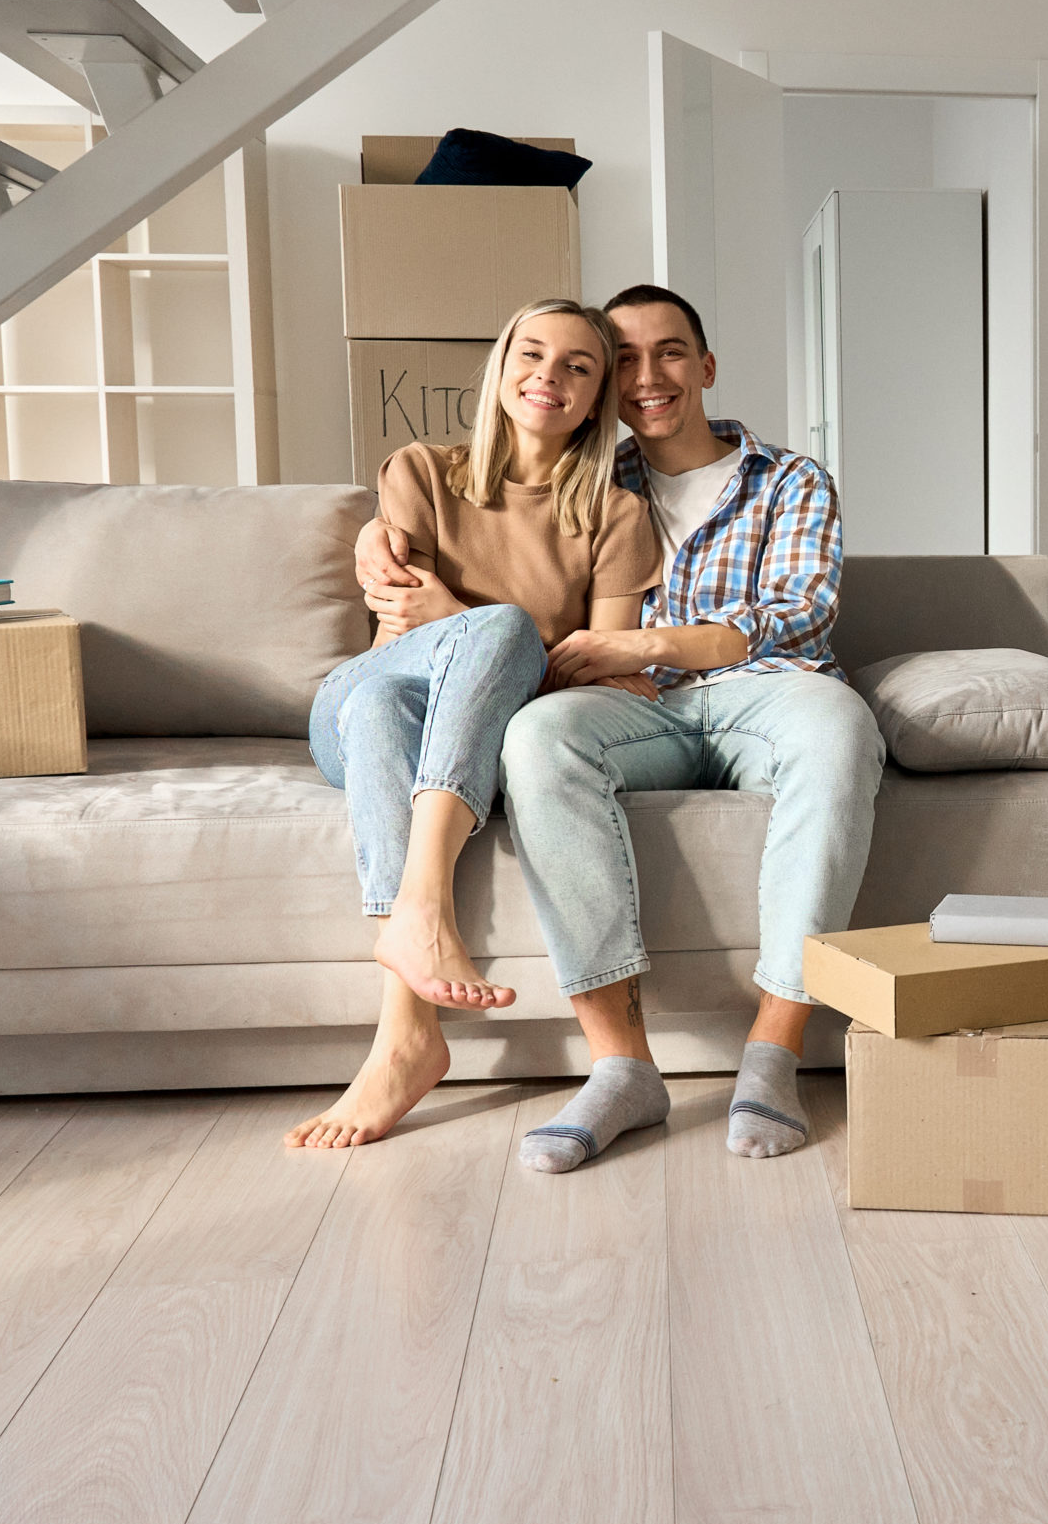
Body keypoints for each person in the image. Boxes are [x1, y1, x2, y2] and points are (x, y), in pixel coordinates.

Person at [353, 284, 884, 1173]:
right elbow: (479, 508)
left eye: (669, 352)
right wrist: (378, 526)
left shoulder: (788, 480)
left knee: (839, 723)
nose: (647, 376)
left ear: (706, 366)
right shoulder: (586, 476)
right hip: (636, 706)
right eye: (625, 359)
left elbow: (802, 614)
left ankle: (772, 1053)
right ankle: (621, 1064)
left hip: (766, 692)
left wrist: (654, 639)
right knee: (536, 738)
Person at [287, 298, 660, 1151]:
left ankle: (406, 1039)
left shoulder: (616, 515)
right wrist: (497, 627)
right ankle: (422, 909)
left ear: (599, 394)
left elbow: (594, 664)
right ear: (500, 368)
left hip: (429, 723)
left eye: (578, 366)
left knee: (443, 672)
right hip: (354, 700)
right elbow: (397, 634)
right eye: (532, 354)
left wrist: (462, 611)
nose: (549, 376)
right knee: (423, 672)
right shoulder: (420, 471)